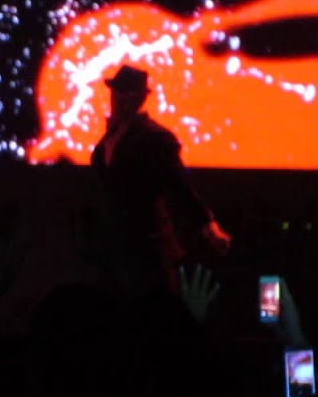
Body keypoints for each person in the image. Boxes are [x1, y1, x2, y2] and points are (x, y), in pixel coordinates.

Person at [85, 64, 231, 297]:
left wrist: (207, 225)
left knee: (149, 302)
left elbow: (179, 185)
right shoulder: (113, 134)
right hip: (114, 241)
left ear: (139, 99)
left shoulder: (155, 138)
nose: (119, 100)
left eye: (127, 94)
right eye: (117, 93)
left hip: (144, 241)